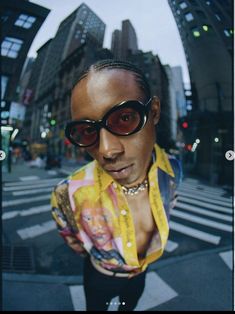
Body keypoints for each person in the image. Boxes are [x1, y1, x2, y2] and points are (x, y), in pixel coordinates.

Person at [51, 59, 182, 311]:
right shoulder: (67, 192)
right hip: (99, 277)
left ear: (153, 111)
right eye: (87, 131)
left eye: (124, 118)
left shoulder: (172, 168)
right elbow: (71, 238)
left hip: (141, 274)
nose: (106, 150)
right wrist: (102, 258)